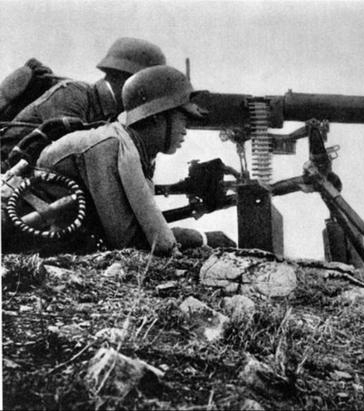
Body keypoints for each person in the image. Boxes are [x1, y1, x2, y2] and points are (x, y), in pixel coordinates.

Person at [35, 65, 235, 256]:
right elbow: (127, 240)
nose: (185, 130)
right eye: (183, 119)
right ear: (157, 116)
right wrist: (201, 238)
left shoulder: (132, 151)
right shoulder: (109, 147)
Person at [1, 37, 167, 171]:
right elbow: (65, 156)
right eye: (145, 87)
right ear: (125, 79)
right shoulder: (73, 94)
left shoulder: (110, 115)